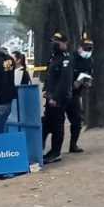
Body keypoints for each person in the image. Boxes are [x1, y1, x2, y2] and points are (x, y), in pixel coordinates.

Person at [42, 32, 74, 163]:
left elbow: (64, 81)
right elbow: (49, 75)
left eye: (57, 42)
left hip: (59, 98)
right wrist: (46, 90)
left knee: (57, 125)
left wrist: (56, 97)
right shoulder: (53, 57)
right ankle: (49, 151)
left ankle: (56, 152)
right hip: (50, 96)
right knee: (47, 122)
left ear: (64, 43)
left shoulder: (66, 59)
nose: (54, 45)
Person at [67, 35, 94, 153]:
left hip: (76, 94)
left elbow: (89, 75)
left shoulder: (89, 61)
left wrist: (85, 83)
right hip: (64, 93)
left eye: (90, 49)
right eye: (86, 48)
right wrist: (71, 83)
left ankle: (73, 144)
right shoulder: (70, 58)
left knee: (77, 120)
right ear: (79, 48)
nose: (87, 51)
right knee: (54, 121)